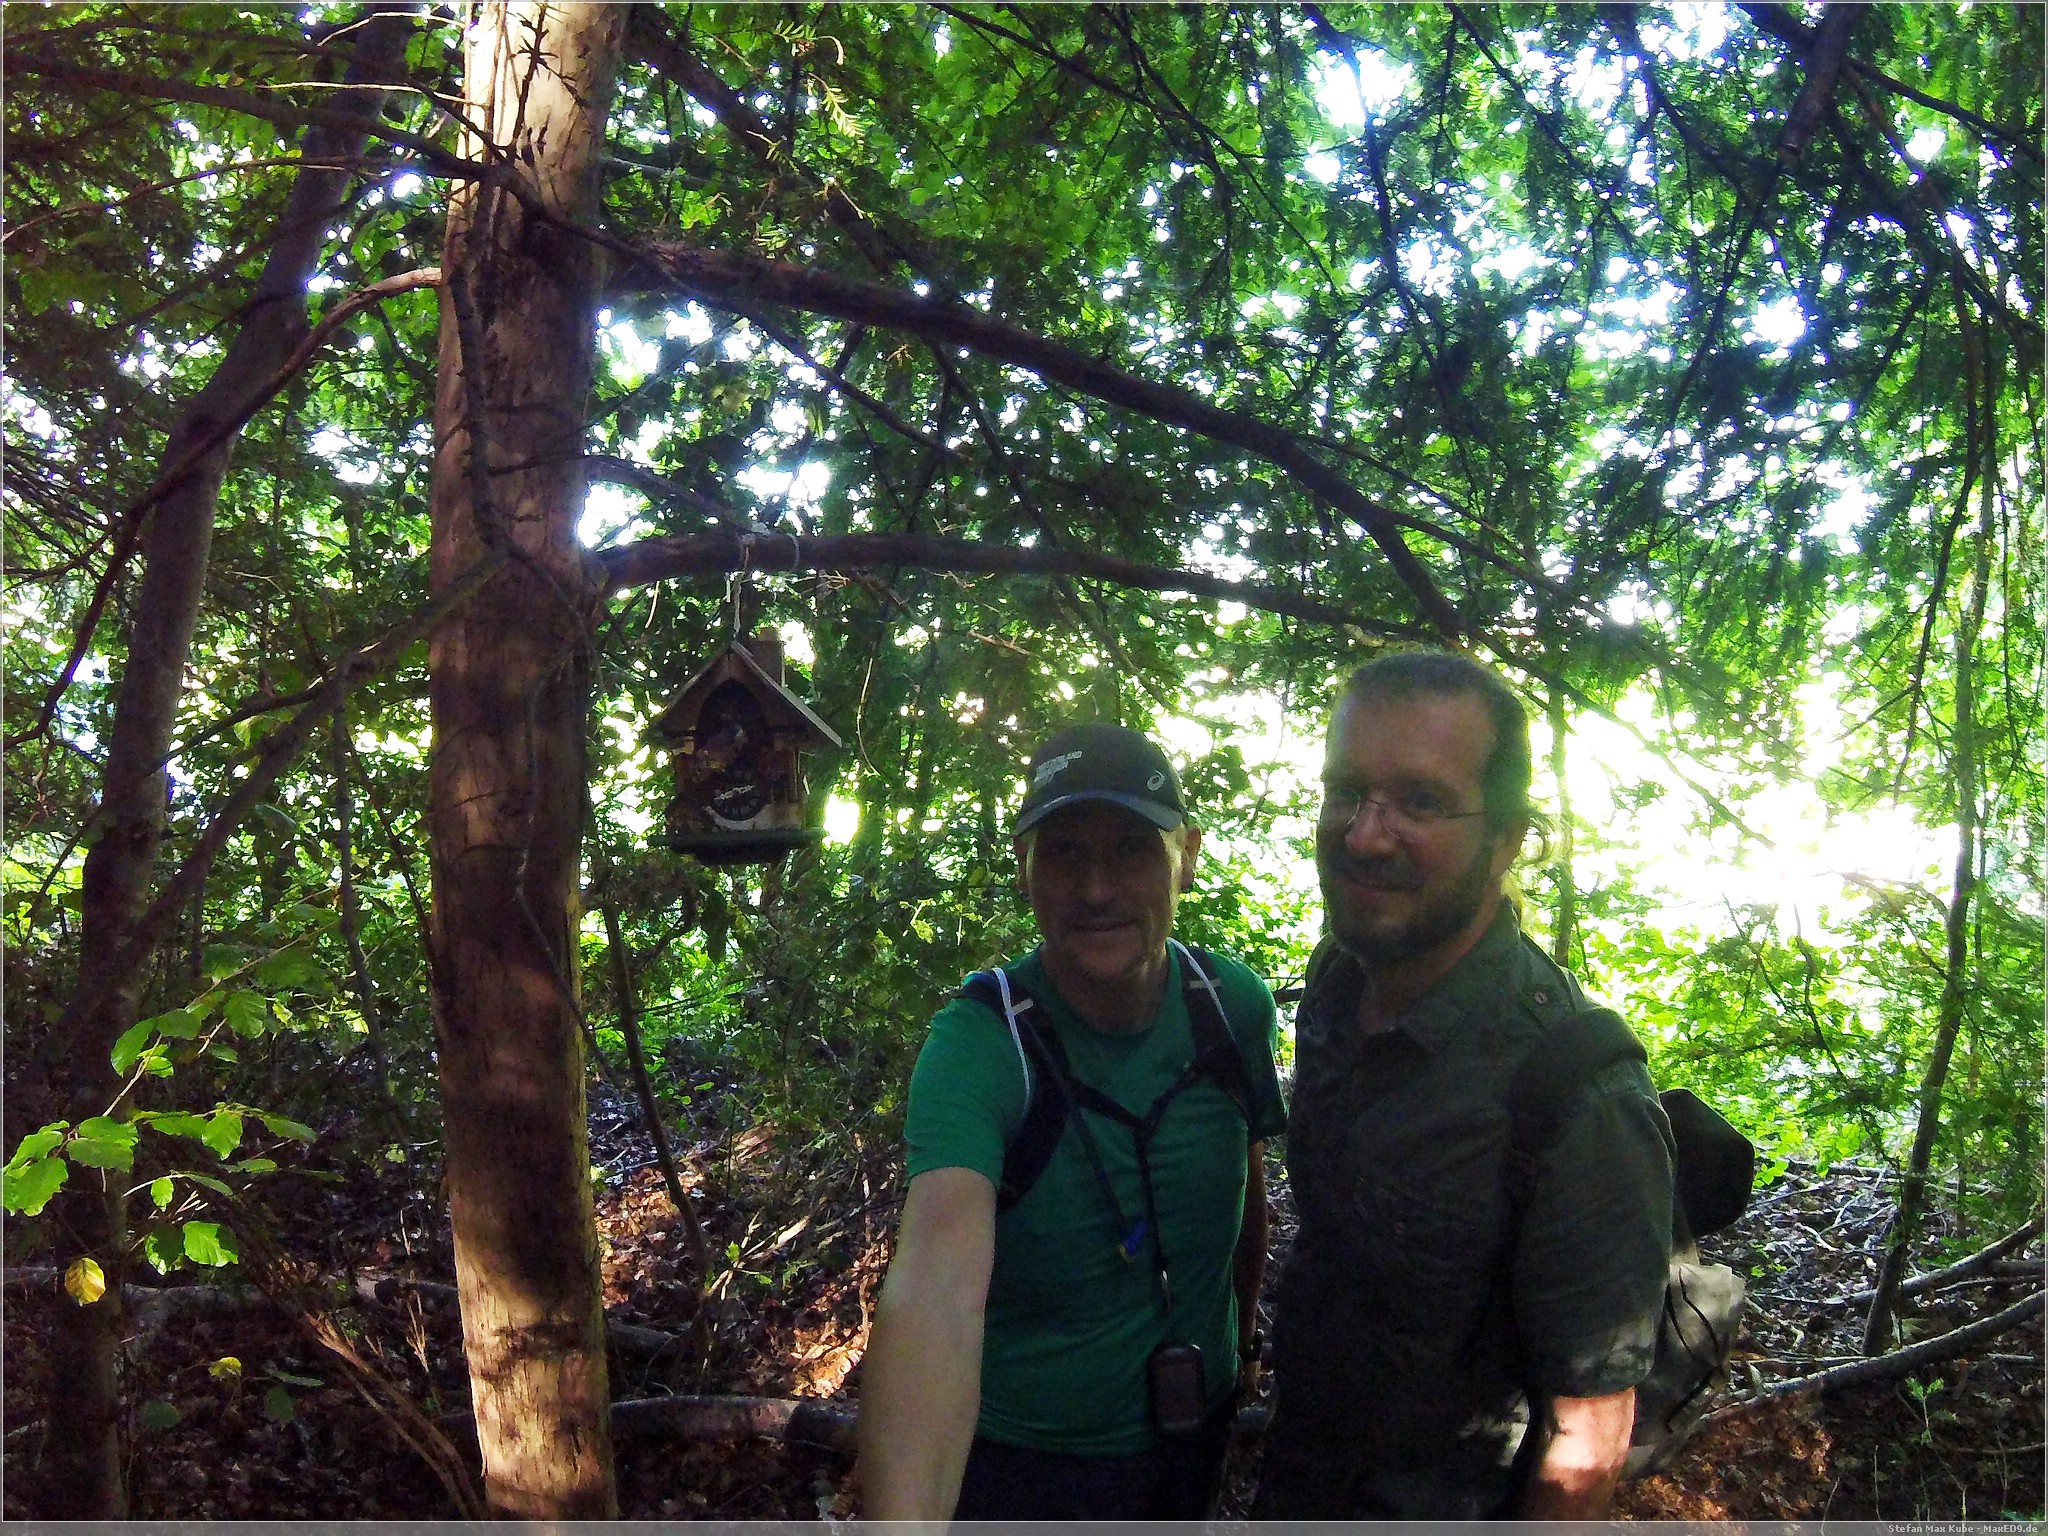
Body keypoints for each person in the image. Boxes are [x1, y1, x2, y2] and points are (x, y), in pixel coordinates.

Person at [1253, 650, 1675, 1521]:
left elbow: (1588, 1436)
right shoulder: (1338, 980)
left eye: (1421, 801)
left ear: (1507, 838)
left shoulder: (1577, 1092)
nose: (1365, 836)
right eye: (1346, 791)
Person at [857, 723, 1286, 1520]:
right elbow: (936, 1291)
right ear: (1024, 868)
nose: (1095, 889)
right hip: (1028, 1468)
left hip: (1194, 1432)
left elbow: (1244, 1181)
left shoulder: (1230, 1008)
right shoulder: (983, 1044)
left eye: (1131, 849)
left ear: (1186, 855)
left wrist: (1248, 1341)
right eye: (1063, 853)